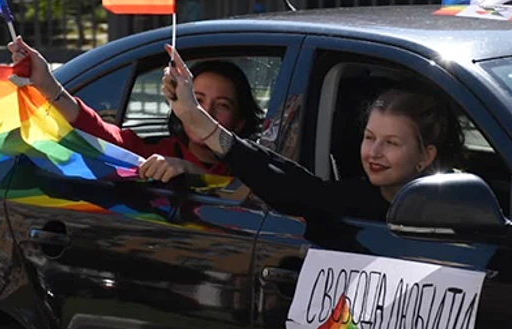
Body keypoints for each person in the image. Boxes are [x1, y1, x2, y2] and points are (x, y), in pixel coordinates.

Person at [160, 44, 463, 221]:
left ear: (426, 156)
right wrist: (199, 122)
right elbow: (286, 183)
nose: (374, 153)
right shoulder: (354, 197)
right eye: (369, 138)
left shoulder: (453, 210)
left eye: (392, 143)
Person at [6, 37, 263, 182]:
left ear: (240, 122)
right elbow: (100, 133)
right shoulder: (152, 153)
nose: (205, 112)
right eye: (196, 100)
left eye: (223, 105)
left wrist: (190, 171)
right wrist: (49, 85)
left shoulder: (251, 166)